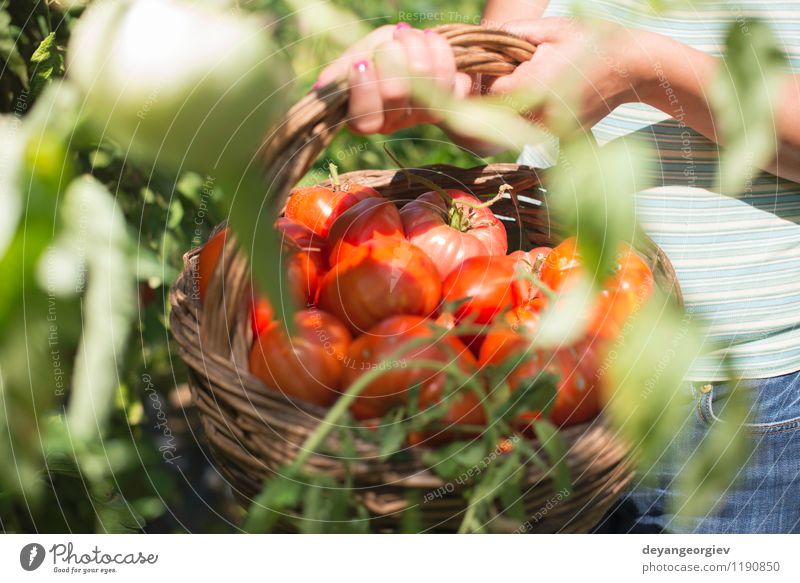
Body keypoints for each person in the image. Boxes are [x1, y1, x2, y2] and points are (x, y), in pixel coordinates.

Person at [316, 0, 800, 534]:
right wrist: (457, 89)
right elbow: (508, 95)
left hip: (736, 391)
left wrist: (641, 68)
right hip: (526, 363)